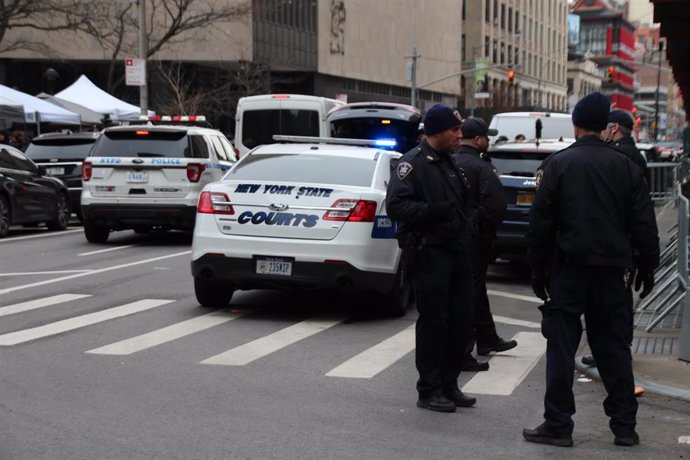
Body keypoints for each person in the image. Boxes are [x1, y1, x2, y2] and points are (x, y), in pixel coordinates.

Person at [523, 92, 660, 448]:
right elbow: (644, 222)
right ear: (606, 126)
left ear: (576, 123)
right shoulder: (627, 166)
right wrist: (648, 265)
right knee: (613, 348)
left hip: (569, 270)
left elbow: (540, 223)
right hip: (614, 272)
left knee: (561, 347)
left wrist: (537, 270)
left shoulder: (558, 165)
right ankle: (624, 426)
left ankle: (558, 424)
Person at [386, 104, 476, 413]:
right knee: (434, 323)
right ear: (437, 131)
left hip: (456, 252)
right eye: (454, 130)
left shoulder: (450, 162)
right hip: (429, 253)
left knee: (461, 321)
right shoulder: (412, 164)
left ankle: (449, 384)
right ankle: (429, 388)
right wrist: (431, 211)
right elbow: (396, 206)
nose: (459, 135)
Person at [582, 110, 652, 368]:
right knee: (618, 302)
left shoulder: (620, 156)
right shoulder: (636, 156)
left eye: (604, 129)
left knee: (611, 305)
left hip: (618, 240)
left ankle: (612, 352)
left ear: (613, 129)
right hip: (628, 241)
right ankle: (616, 349)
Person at [452, 117, 516, 372]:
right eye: (486, 137)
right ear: (478, 139)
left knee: (474, 290)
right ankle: (465, 350)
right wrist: (485, 226)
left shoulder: (450, 162)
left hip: (452, 238)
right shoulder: (481, 167)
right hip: (475, 239)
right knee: (470, 291)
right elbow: (496, 206)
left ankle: (487, 337)